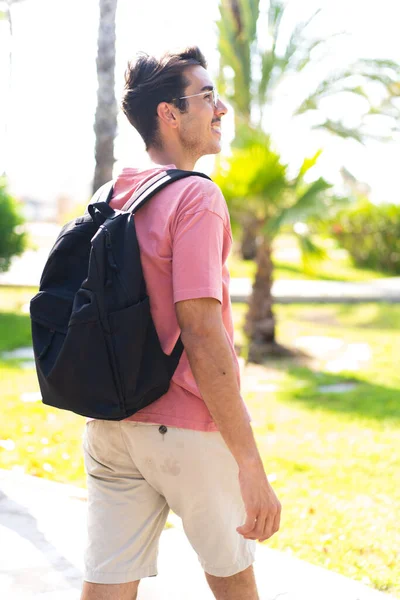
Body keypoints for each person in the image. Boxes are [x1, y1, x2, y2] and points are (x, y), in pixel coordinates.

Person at [81, 46, 281, 600]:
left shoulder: (112, 194)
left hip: (111, 424)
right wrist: (248, 461)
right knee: (235, 585)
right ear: (169, 114)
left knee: (105, 587)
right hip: (185, 427)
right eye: (208, 97)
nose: (220, 110)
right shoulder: (196, 196)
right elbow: (200, 329)